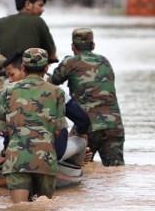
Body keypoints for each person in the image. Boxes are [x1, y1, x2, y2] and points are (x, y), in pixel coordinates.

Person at [0, 48, 66, 203]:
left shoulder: (7, 91)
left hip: (17, 159)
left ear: (23, 67)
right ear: (47, 68)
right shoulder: (57, 92)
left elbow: (2, 127)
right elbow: (59, 129)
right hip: (45, 159)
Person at [50, 28, 125, 166]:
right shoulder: (104, 61)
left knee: (73, 165)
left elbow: (52, 83)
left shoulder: (70, 62)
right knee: (115, 171)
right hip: (113, 125)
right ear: (93, 45)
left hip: (87, 124)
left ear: (73, 46)